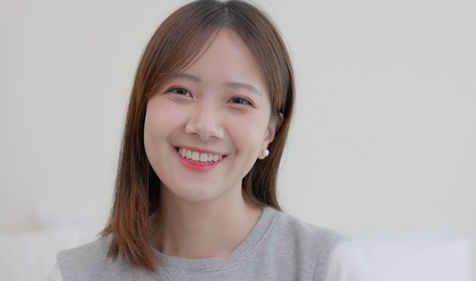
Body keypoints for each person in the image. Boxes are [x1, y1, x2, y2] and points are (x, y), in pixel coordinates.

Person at [48, 0, 369, 280]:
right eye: (180, 91)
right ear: (142, 107)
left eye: (239, 101)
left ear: (270, 131)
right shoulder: (76, 274)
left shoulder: (326, 268)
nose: (204, 126)